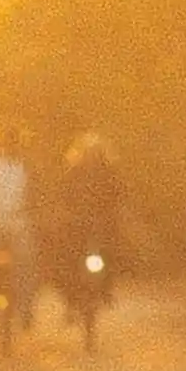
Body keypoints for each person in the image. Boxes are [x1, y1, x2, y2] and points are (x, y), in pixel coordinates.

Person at [52, 128, 127, 347]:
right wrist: (66, 216)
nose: (92, 156)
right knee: (63, 259)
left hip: (100, 229)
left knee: (113, 253)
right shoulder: (71, 173)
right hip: (77, 229)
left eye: (95, 152)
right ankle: (69, 300)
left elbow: (119, 197)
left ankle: (106, 289)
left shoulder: (109, 173)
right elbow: (61, 197)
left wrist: (113, 217)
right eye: (88, 152)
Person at [0, 130, 38, 349]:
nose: (11, 146)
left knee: (27, 263)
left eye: (14, 143)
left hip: (19, 221)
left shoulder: (28, 167)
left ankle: (26, 308)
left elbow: (37, 194)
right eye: (7, 142)